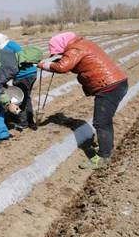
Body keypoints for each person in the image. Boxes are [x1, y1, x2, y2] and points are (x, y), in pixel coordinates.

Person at [38, 32, 128, 170]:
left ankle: (103, 157)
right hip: (115, 82)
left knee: (101, 122)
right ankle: (106, 146)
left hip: (109, 86)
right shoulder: (82, 43)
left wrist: (44, 65)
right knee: (104, 121)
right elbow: (74, 65)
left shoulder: (75, 49)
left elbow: (63, 67)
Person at [0, 32, 39, 130]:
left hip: (23, 75)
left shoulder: (5, 49)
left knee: (19, 99)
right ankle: (30, 121)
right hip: (31, 73)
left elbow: (8, 67)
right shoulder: (10, 44)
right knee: (26, 98)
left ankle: (23, 123)